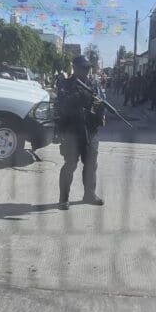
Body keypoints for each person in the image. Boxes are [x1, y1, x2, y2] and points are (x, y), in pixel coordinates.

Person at [55, 55, 106, 209]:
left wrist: (100, 109)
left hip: (90, 131)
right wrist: (79, 96)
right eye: (83, 68)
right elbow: (62, 105)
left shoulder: (94, 84)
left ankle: (89, 195)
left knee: (91, 164)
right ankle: (63, 199)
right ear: (75, 68)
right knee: (70, 165)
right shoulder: (65, 84)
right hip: (72, 131)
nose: (86, 70)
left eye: (88, 68)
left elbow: (101, 102)